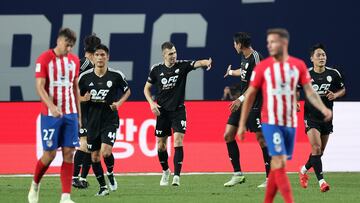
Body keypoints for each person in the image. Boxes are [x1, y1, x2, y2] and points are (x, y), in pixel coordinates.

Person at [237, 28, 332, 203]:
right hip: (271, 121)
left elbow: (309, 92)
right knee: (279, 164)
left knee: (278, 165)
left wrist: (323, 109)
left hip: (289, 123)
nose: (270, 45)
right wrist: (242, 123)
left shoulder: (298, 66)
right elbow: (251, 93)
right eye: (269, 42)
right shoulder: (263, 67)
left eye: (274, 42)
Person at [143, 41, 212, 186]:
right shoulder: (156, 69)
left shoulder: (182, 66)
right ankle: (166, 171)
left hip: (178, 110)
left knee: (178, 140)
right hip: (162, 111)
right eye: (170, 54)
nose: (173, 56)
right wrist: (151, 103)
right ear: (164, 55)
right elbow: (146, 89)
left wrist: (206, 62)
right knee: (161, 146)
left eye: (174, 52)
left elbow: (197, 63)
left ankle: (176, 176)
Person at [28, 28, 80, 203]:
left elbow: (75, 88)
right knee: (49, 154)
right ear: (59, 41)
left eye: (72, 46)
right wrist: (51, 106)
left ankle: (65, 197)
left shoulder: (74, 61)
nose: (69, 49)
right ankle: (35, 185)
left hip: (70, 113)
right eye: (67, 45)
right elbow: (39, 86)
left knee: (69, 153)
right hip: (50, 115)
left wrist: (79, 116)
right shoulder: (44, 58)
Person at [78, 44, 131, 196]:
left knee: (106, 152)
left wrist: (119, 103)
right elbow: (74, 94)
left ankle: (111, 173)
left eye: (103, 55)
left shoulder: (116, 75)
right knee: (94, 156)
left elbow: (128, 91)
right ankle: (103, 187)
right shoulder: (85, 77)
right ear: (93, 58)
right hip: (92, 122)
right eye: (97, 55)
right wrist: (83, 98)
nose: (100, 58)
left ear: (107, 57)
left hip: (110, 120)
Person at [222, 32, 271, 188]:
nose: (233, 46)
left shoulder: (257, 57)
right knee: (228, 135)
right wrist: (230, 72)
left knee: (261, 139)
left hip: (254, 102)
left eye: (234, 43)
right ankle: (237, 174)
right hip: (242, 101)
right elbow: (243, 73)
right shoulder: (244, 56)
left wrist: (240, 99)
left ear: (240, 44)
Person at [298, 43, 346, 192]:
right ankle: (322, 182)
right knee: (316, 148)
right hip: (310, 116)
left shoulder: (333, 73)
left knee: (319, 152)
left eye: (323, 55)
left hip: (326, 117)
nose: (321, 57)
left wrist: (335, 95)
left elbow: (343, 89)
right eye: (318, 55)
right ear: (311, 58)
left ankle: (303, 170)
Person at [72, 34, 101, 189]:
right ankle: (75, 177)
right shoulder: (81, 65)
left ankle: (82, 178)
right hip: (82, 111)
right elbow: (70, 86)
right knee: (84, 144)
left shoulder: (94, 66)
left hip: (93, 112)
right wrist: (82, 99)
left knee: (92, 145)